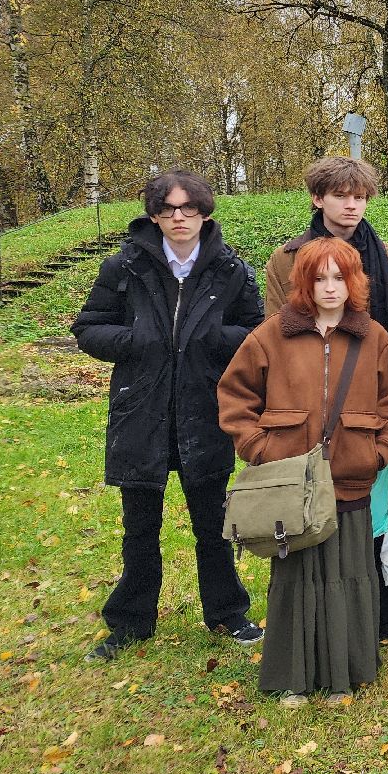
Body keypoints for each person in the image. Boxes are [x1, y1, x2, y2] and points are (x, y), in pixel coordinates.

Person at [73, 171, 265, 661]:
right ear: (154, 213)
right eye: (168, 209)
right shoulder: (124, 266)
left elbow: (255, 330)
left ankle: (226, 612)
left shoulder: (231, 271)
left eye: (189, 208)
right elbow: (89, 327)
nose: (179, 218)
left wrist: (213, 341)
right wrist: (136, 340)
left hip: (205, 410)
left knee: (212, 522)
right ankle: (131, 620)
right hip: (142, 410)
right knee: (139, 526)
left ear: (204, 212)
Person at [218, 238, 388, 705]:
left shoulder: (373, 338)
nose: (329, 287)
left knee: (349, 573)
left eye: (339, 277)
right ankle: (294, 678)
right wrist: (261, 449)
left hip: (350, 481)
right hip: (292, 485)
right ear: (302, 283)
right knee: (297, 579)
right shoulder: (269, 337)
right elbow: (236, 398)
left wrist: (378, 453)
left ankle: (347, 671)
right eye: (319, 277)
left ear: (354, 283)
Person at [263, 157, 388, 643]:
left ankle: (384, 614)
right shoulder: (286, 260)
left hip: (370, 407)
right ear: (318, 199)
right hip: (307, 407)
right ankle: (314, 616)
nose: (352, 205)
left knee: (374, 513)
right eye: (342, 195)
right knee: (307, 509)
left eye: (361, 196)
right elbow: (273, 339)